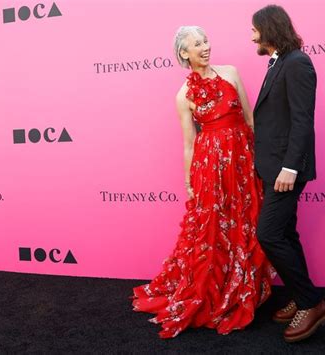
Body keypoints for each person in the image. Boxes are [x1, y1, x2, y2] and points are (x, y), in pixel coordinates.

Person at [132, 26, 276, 338]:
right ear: (184, 53)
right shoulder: (183, 95)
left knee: (247, 222)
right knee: (213, 229)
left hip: (242, 159)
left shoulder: (231, 73)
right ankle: (217, 291)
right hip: (210, 167)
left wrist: (261, 161)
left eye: (206, 41)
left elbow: (251, 120)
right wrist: (189, 182)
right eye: (197, 44)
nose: (205, 47)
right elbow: (189, 143)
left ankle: (248, 286)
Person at [251, 5, 325, 343]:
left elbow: (303, 120)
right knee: (286, 234)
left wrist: (290, 166)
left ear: (270, 29)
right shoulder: (279, 63)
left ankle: (313, 304)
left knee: (269, 234)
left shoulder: (297, 63)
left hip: (286, 168)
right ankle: (303, 297)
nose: (252, 35)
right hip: (273, 166)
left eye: (256, 29)